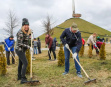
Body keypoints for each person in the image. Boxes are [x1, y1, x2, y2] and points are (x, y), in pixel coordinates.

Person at [15, 18, 33, 84]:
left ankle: (19, 76)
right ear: (23, 26)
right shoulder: (20, 32)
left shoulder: (27, 32)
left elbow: (28, 40)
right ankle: (23, 78)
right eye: (25, 25)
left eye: (27, 25)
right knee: (25, 63)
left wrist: (31, 35)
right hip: (19, 50)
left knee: (21, 63)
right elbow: (20, 43)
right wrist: (28, 47)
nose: (26, 26)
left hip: (22, 50)